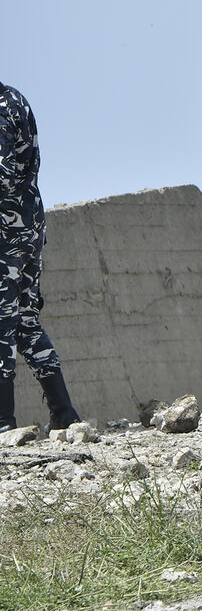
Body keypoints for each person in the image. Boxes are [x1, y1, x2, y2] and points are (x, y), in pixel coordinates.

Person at [0, 81, 82, 432]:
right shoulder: (15, 99)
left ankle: (3, 422)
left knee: (3, 323)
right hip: (30, 223)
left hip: (7, 230)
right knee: (25, 321)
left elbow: (2, 175)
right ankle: (64, 413)